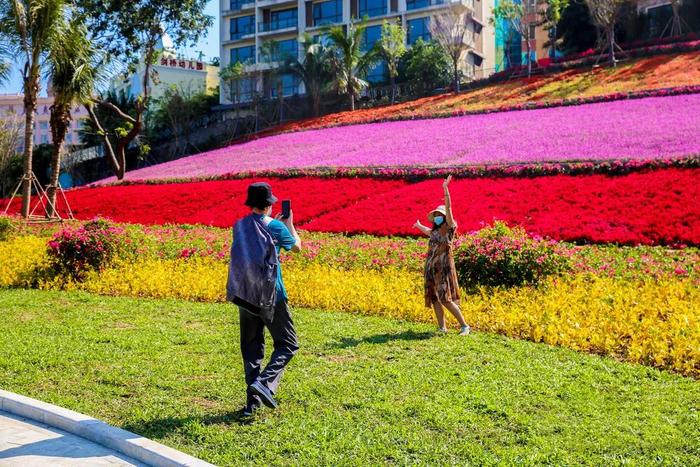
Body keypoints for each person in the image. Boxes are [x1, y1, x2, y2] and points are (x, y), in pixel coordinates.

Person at [226, 182, 302, 417]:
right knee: (288, 343)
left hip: (244, 293)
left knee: (251, 349)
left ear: (251, 204)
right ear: (270, 204)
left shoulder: (239, 226)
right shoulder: (276, 226)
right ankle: (265, 383)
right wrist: (289, 224)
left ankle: (252, 404)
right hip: (271, 296)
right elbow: (297, 247)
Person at [413, 175, 470, 336]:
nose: (438, 216)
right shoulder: (436, 231)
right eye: (436, 214)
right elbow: (428, 232)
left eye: (440, 214)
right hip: (431, 268)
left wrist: (445, 190)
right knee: (435, 298)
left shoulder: (449, 228)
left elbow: (449, 208)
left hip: (444, 268)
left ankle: (465, 326)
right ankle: (442, 327)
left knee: (445, 298)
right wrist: (418, 226)